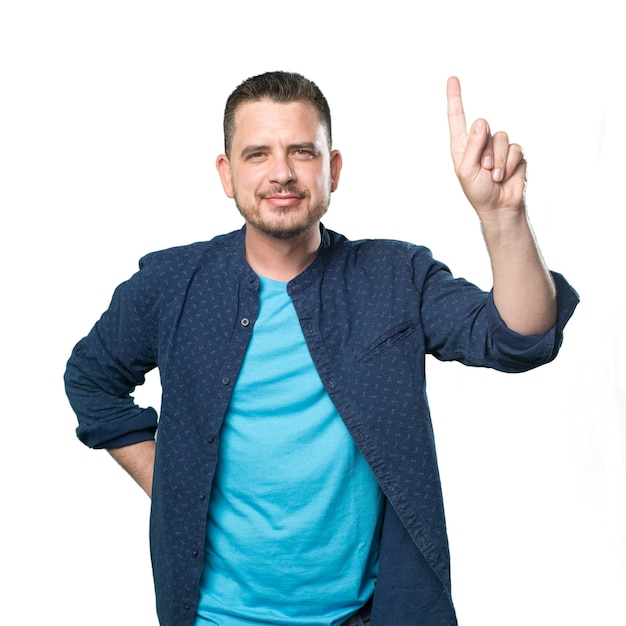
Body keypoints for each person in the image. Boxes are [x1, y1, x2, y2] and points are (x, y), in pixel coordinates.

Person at [64, 71, 579, 626]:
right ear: (227, 173)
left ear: (332, 169)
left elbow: (519, 339)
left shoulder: (394, 277)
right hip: (212, 616)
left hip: (368, 614)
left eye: (302, 152)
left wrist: (503, 219)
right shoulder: (171, 284)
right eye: (257, 153)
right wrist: (172, 482)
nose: (281, 173)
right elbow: (91, 380)